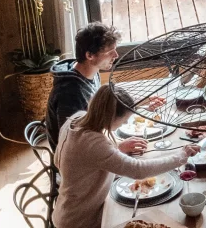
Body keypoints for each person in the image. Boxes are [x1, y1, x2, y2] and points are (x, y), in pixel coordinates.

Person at [51, 88, 197, 227]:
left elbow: (60, 160)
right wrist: (181, 156)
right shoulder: (94, 143)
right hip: (82, 221)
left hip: (65, 211)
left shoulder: (75, 119)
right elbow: (137, 170)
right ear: (110, 117)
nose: (126, 123)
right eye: (125, 120)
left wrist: (116, 149)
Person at [43, 23, 121, 147]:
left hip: (90, 139)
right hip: (73, 159)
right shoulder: (69, 92)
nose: (116, 55)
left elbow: (97, 107)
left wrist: (140, 104)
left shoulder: (91, 72)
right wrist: (117, 148)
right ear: (89, 55)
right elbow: (72, 144)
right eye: (110, 51)